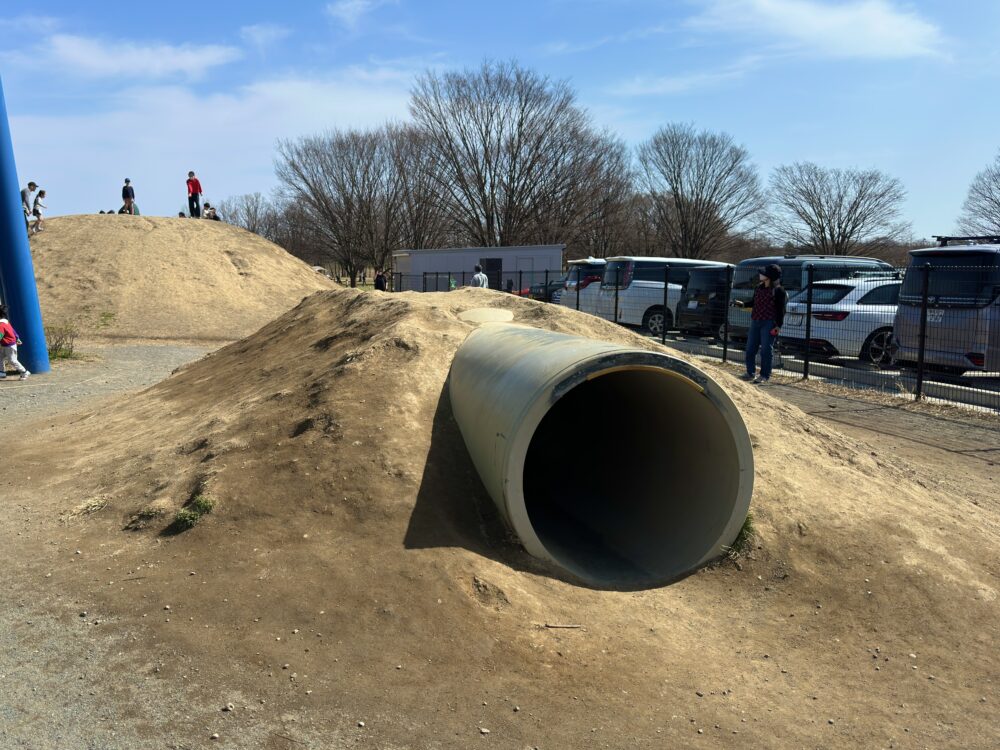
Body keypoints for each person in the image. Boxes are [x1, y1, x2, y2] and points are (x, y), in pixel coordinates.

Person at [732, 263, 786, 384]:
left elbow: (781, 310)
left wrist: (778, 326)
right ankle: (750, 372)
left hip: (769, 323)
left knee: (766, 350)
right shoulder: (758, 287)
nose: (760, 274)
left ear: (770, 276)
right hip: (755, 321)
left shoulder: (779, 291)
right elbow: (754, 303)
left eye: (764, 273)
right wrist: (743, 304)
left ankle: (764, 375)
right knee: (750, 348)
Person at [0, 304, 30, 380]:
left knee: (12, 360)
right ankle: (2, 373)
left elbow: (0, 335)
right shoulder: (6, 322)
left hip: (9, 345)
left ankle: (24, 372)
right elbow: (13, 331)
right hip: (5, 344)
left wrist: (17, 339)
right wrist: (17, 338)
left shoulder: (1, 325)